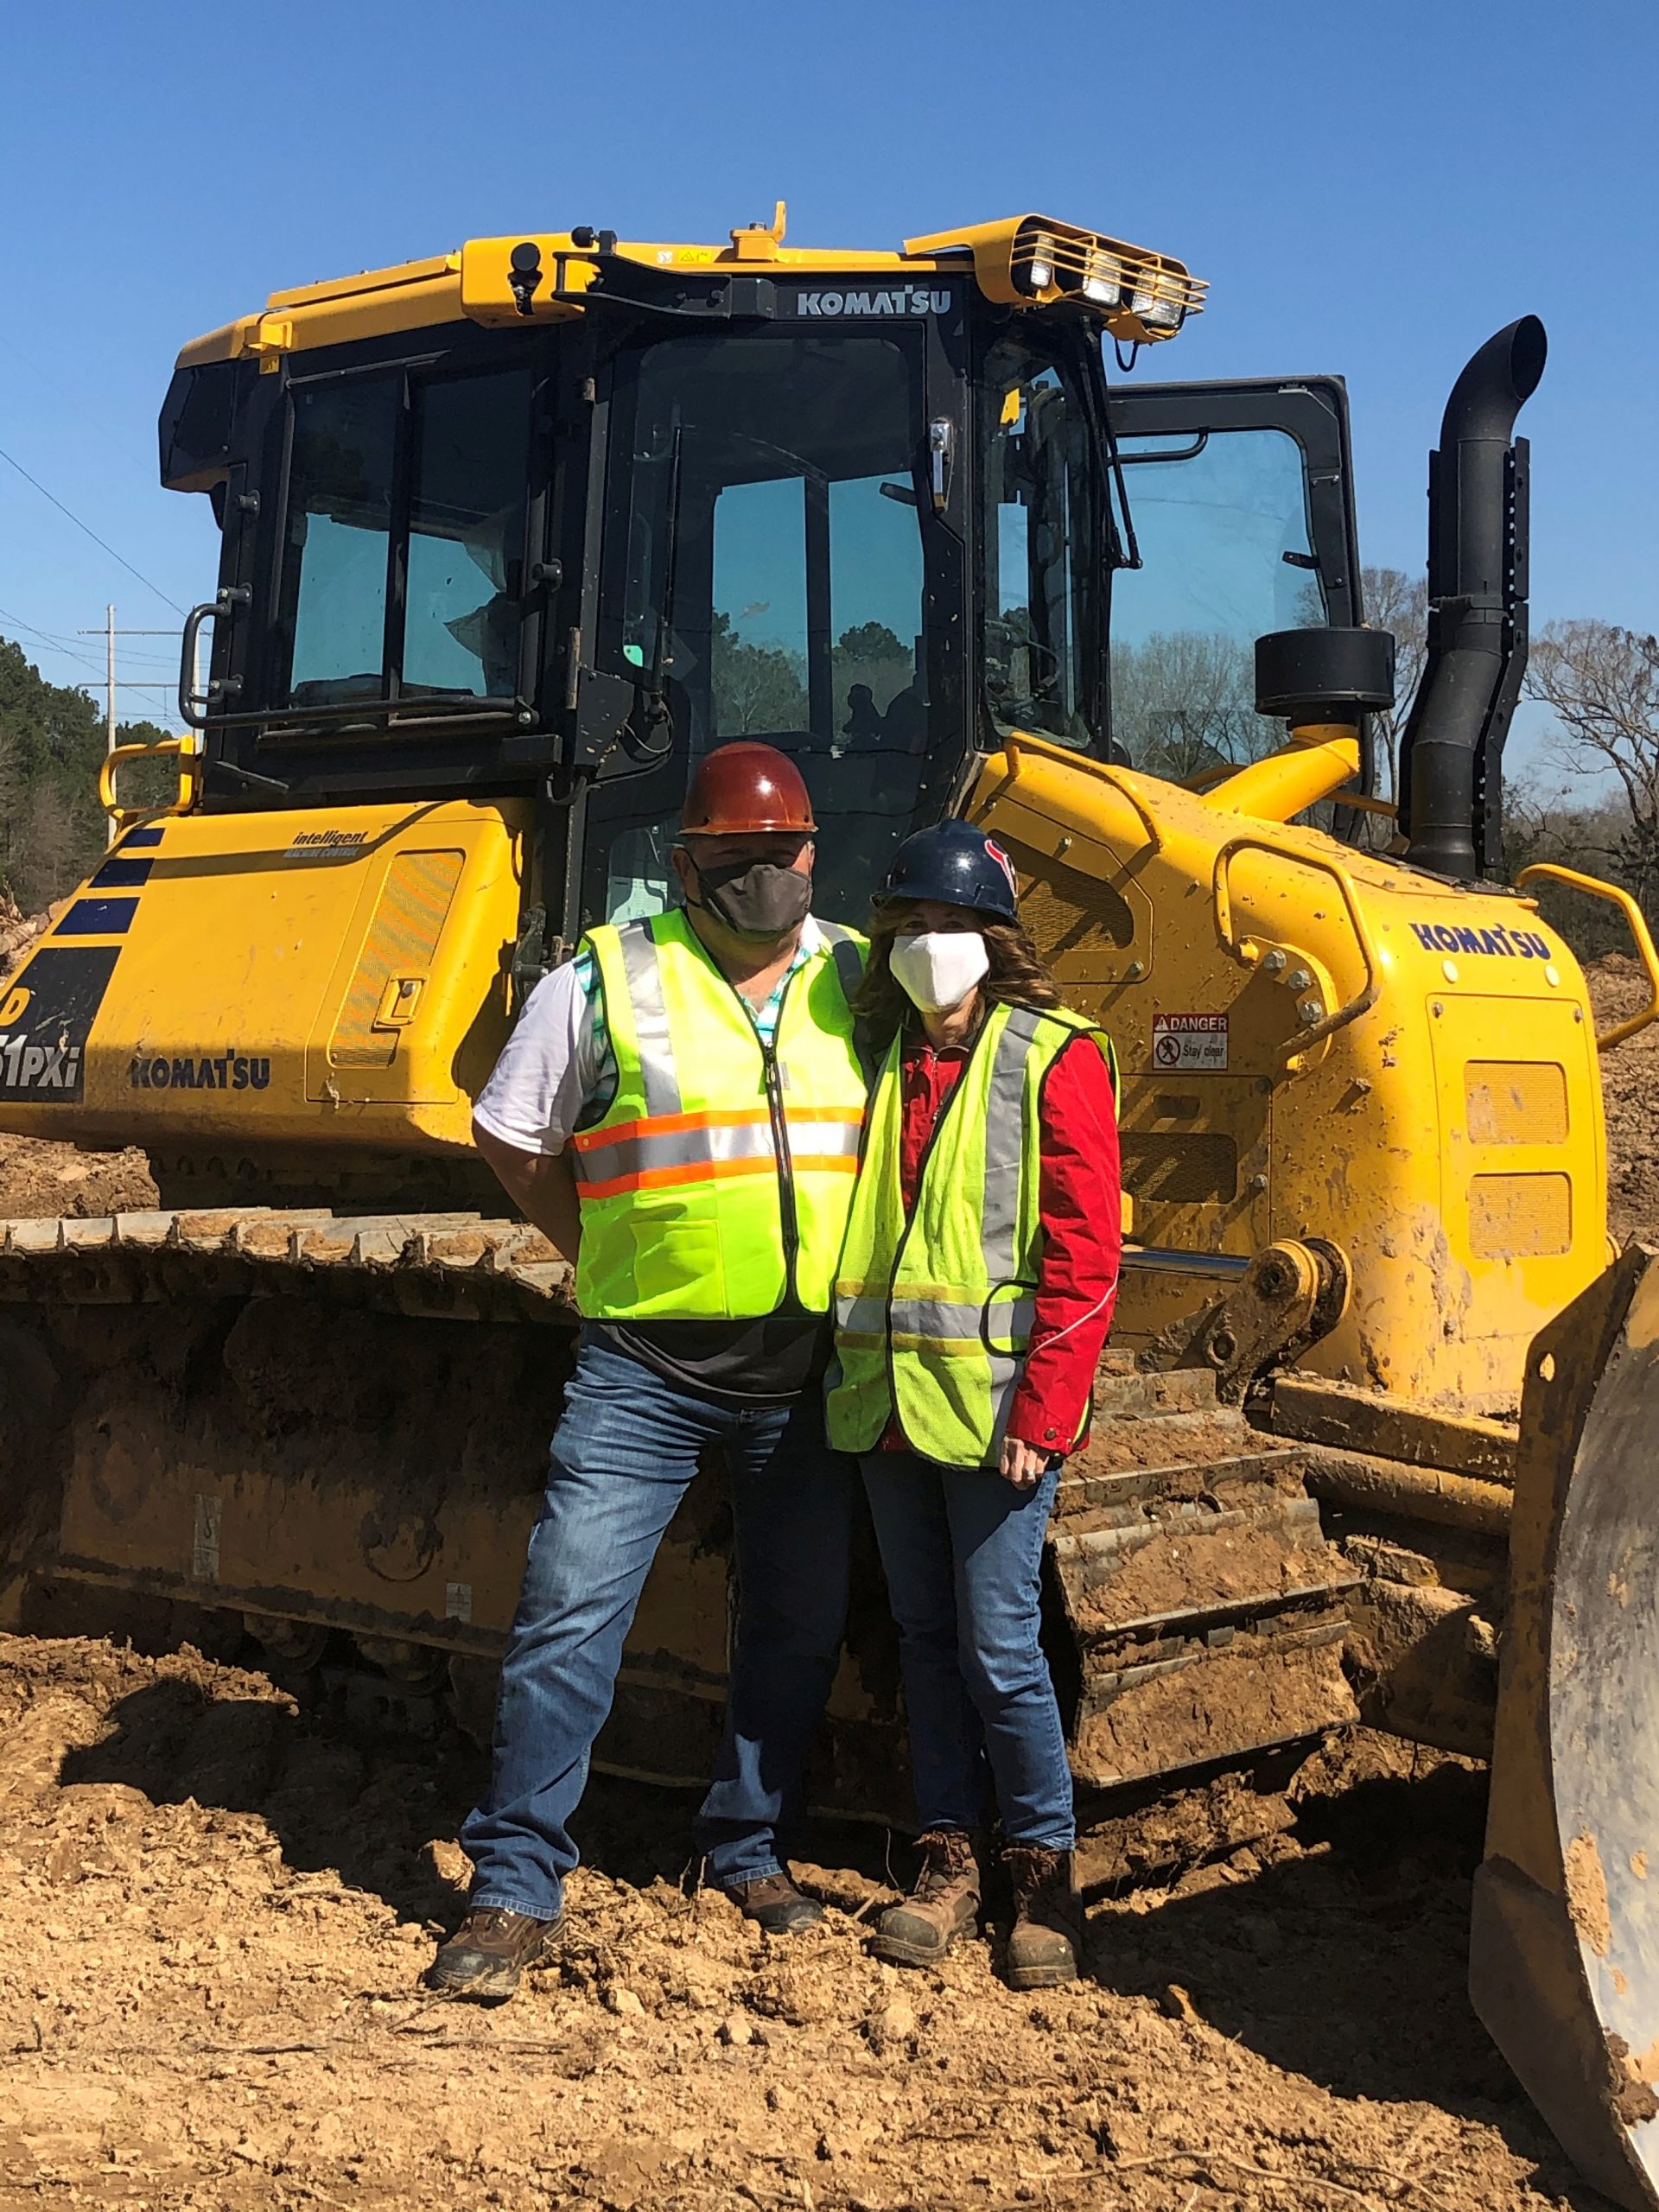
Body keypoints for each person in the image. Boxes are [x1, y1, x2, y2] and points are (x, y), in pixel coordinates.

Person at [429, 741, 868, 2002]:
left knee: (793, 1625)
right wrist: (596, 1248)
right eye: (734, 859)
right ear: (687, 862)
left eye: (782, 856)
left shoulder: (858, 980)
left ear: (813, 854)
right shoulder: (606, 981)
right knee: (571, 1618)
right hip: (644, 1370)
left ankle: (747, 1849)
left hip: (806, 1369)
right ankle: (513, 1888)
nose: (764, 878)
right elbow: (513, 1135)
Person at [826, 819, 1121, 1991]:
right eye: (909, 928)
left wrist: (1046, 1414)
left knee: (1002, 1646)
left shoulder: (1053, 1053)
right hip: (887, 1405)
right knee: (928, 1639)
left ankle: (1044, 1876)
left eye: (952, 928)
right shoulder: (876, 1055)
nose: (928, 947)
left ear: (995, 942)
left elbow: (1087, 1254)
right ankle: (947, 1860)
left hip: (999, 1413)